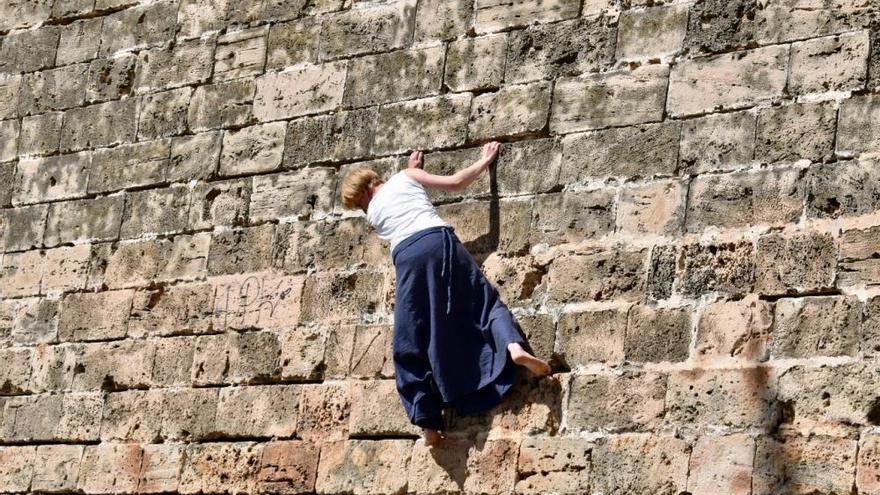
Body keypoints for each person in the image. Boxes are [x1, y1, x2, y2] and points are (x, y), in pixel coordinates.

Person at [339, 141, 552, 447]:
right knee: (484, 303)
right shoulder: (405, 178)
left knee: (409, 337)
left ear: (364, 192)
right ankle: (514, 348)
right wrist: (483, 161)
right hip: (438, 241)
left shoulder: (374, 213)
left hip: (407, 258)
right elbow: (455, 183)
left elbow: (395, 203)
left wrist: (413, 172)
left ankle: (427, 423)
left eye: (358, 203)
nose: (362, 210)